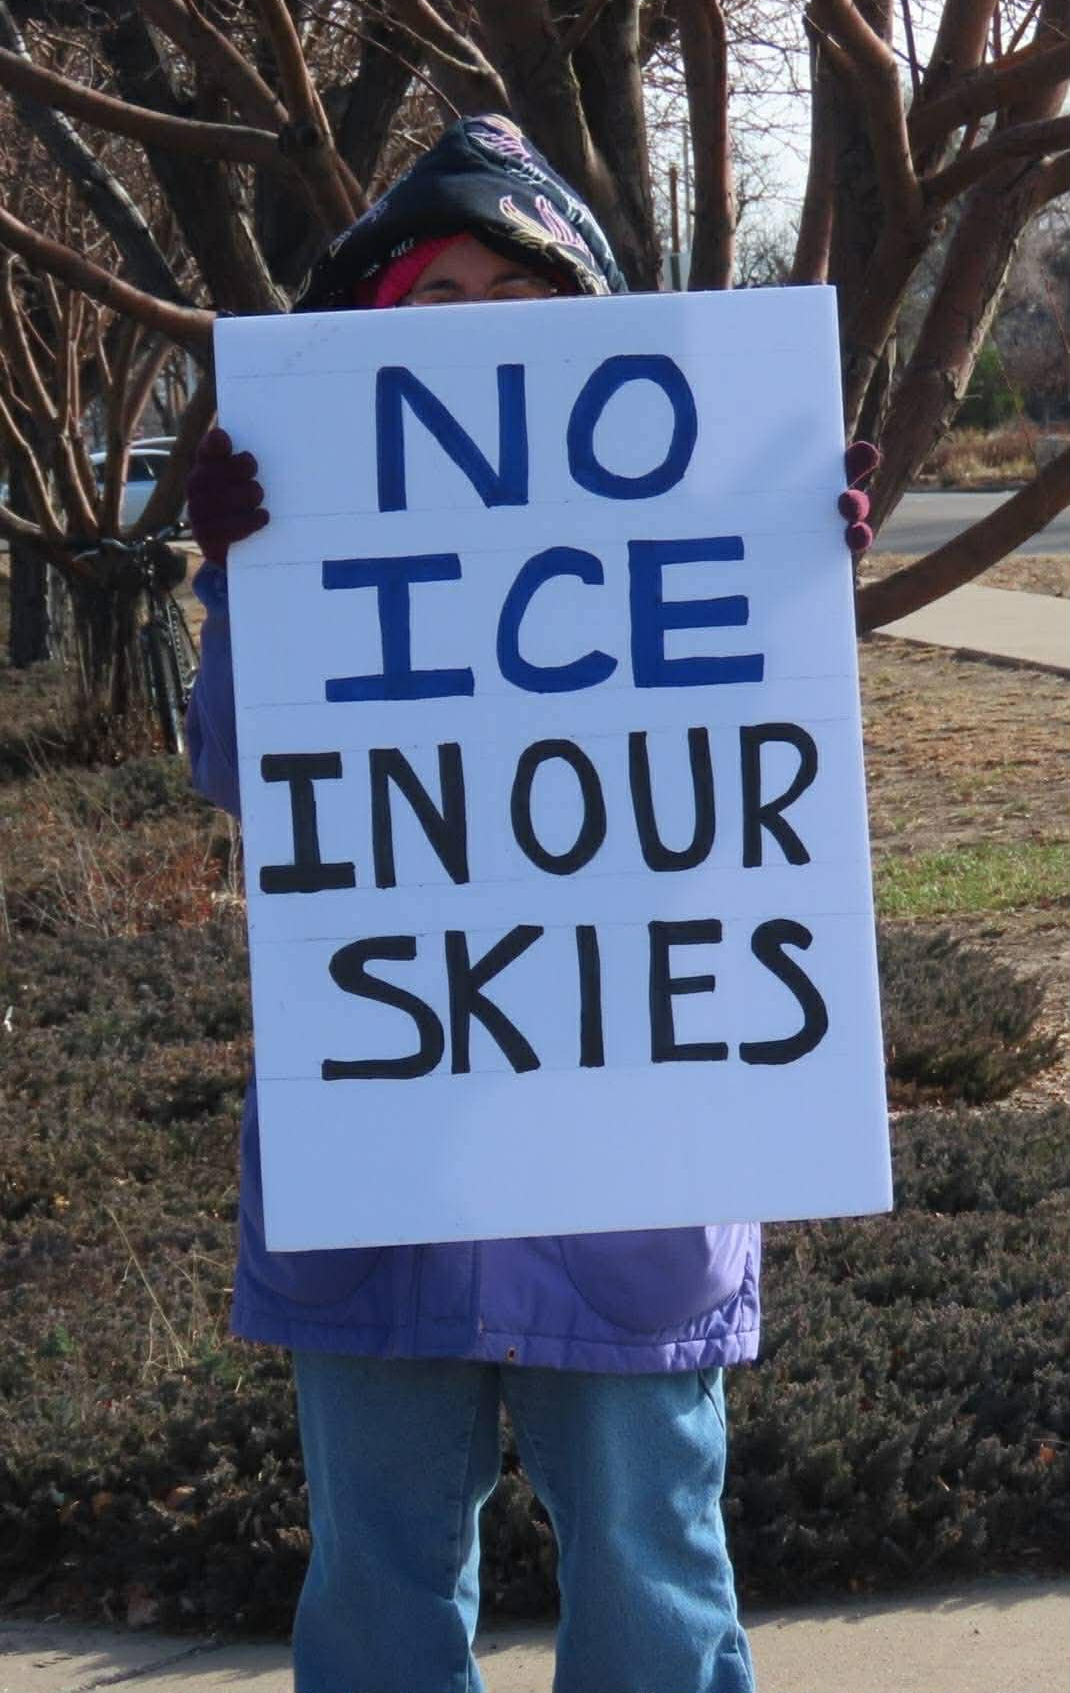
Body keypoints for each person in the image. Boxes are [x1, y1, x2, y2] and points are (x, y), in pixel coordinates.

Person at [186, 116, 877, 1693]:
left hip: (632, 1167)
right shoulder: (302, 525)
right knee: (376, 1589)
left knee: (650, 1584)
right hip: (385, 1165)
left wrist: (780, 574)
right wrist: (246, 591)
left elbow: (742, 791)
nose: (480, 325)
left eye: (519, 293)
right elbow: (249, 784)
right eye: (438, 296)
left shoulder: (675, 524)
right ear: (375, 328)